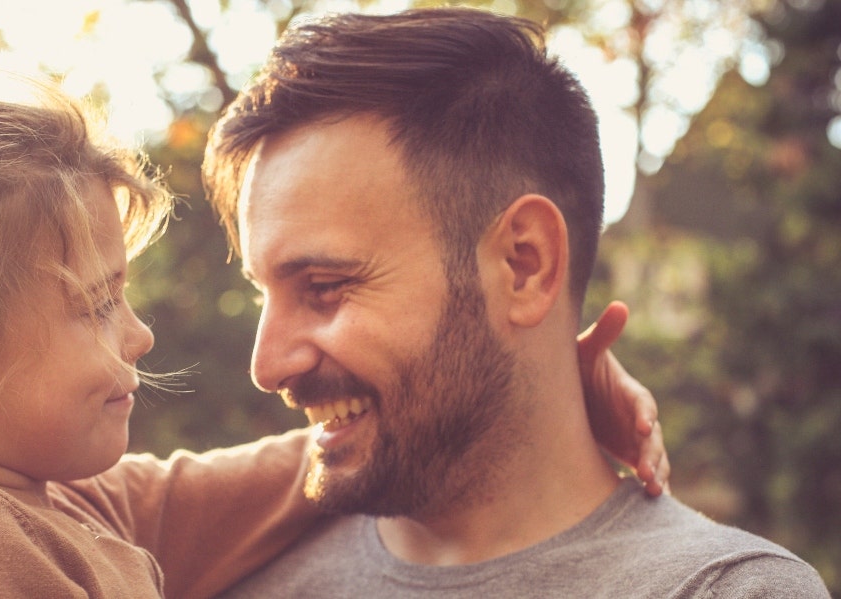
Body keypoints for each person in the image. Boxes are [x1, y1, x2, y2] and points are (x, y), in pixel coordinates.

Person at [0, 44, 660, 598]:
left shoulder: (66, 506)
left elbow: (272, 479)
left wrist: (528, 387)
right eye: (93, 304)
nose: (138, 334)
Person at [202, 7, 829, 598]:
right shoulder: (226, 577)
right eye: (262, 293)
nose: (267, 365)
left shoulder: (722, 590)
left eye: (324, 287)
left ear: (524, 265)